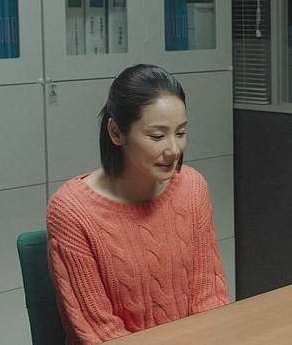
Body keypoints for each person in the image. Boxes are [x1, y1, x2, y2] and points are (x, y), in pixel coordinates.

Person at [47, 64, 229, 345]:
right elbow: (100, 333)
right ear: (116, 132)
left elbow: (209, 300)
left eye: (181, 133)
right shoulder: (71, 211)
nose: (174, 149)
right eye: (157, 136)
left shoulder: (192, 188)